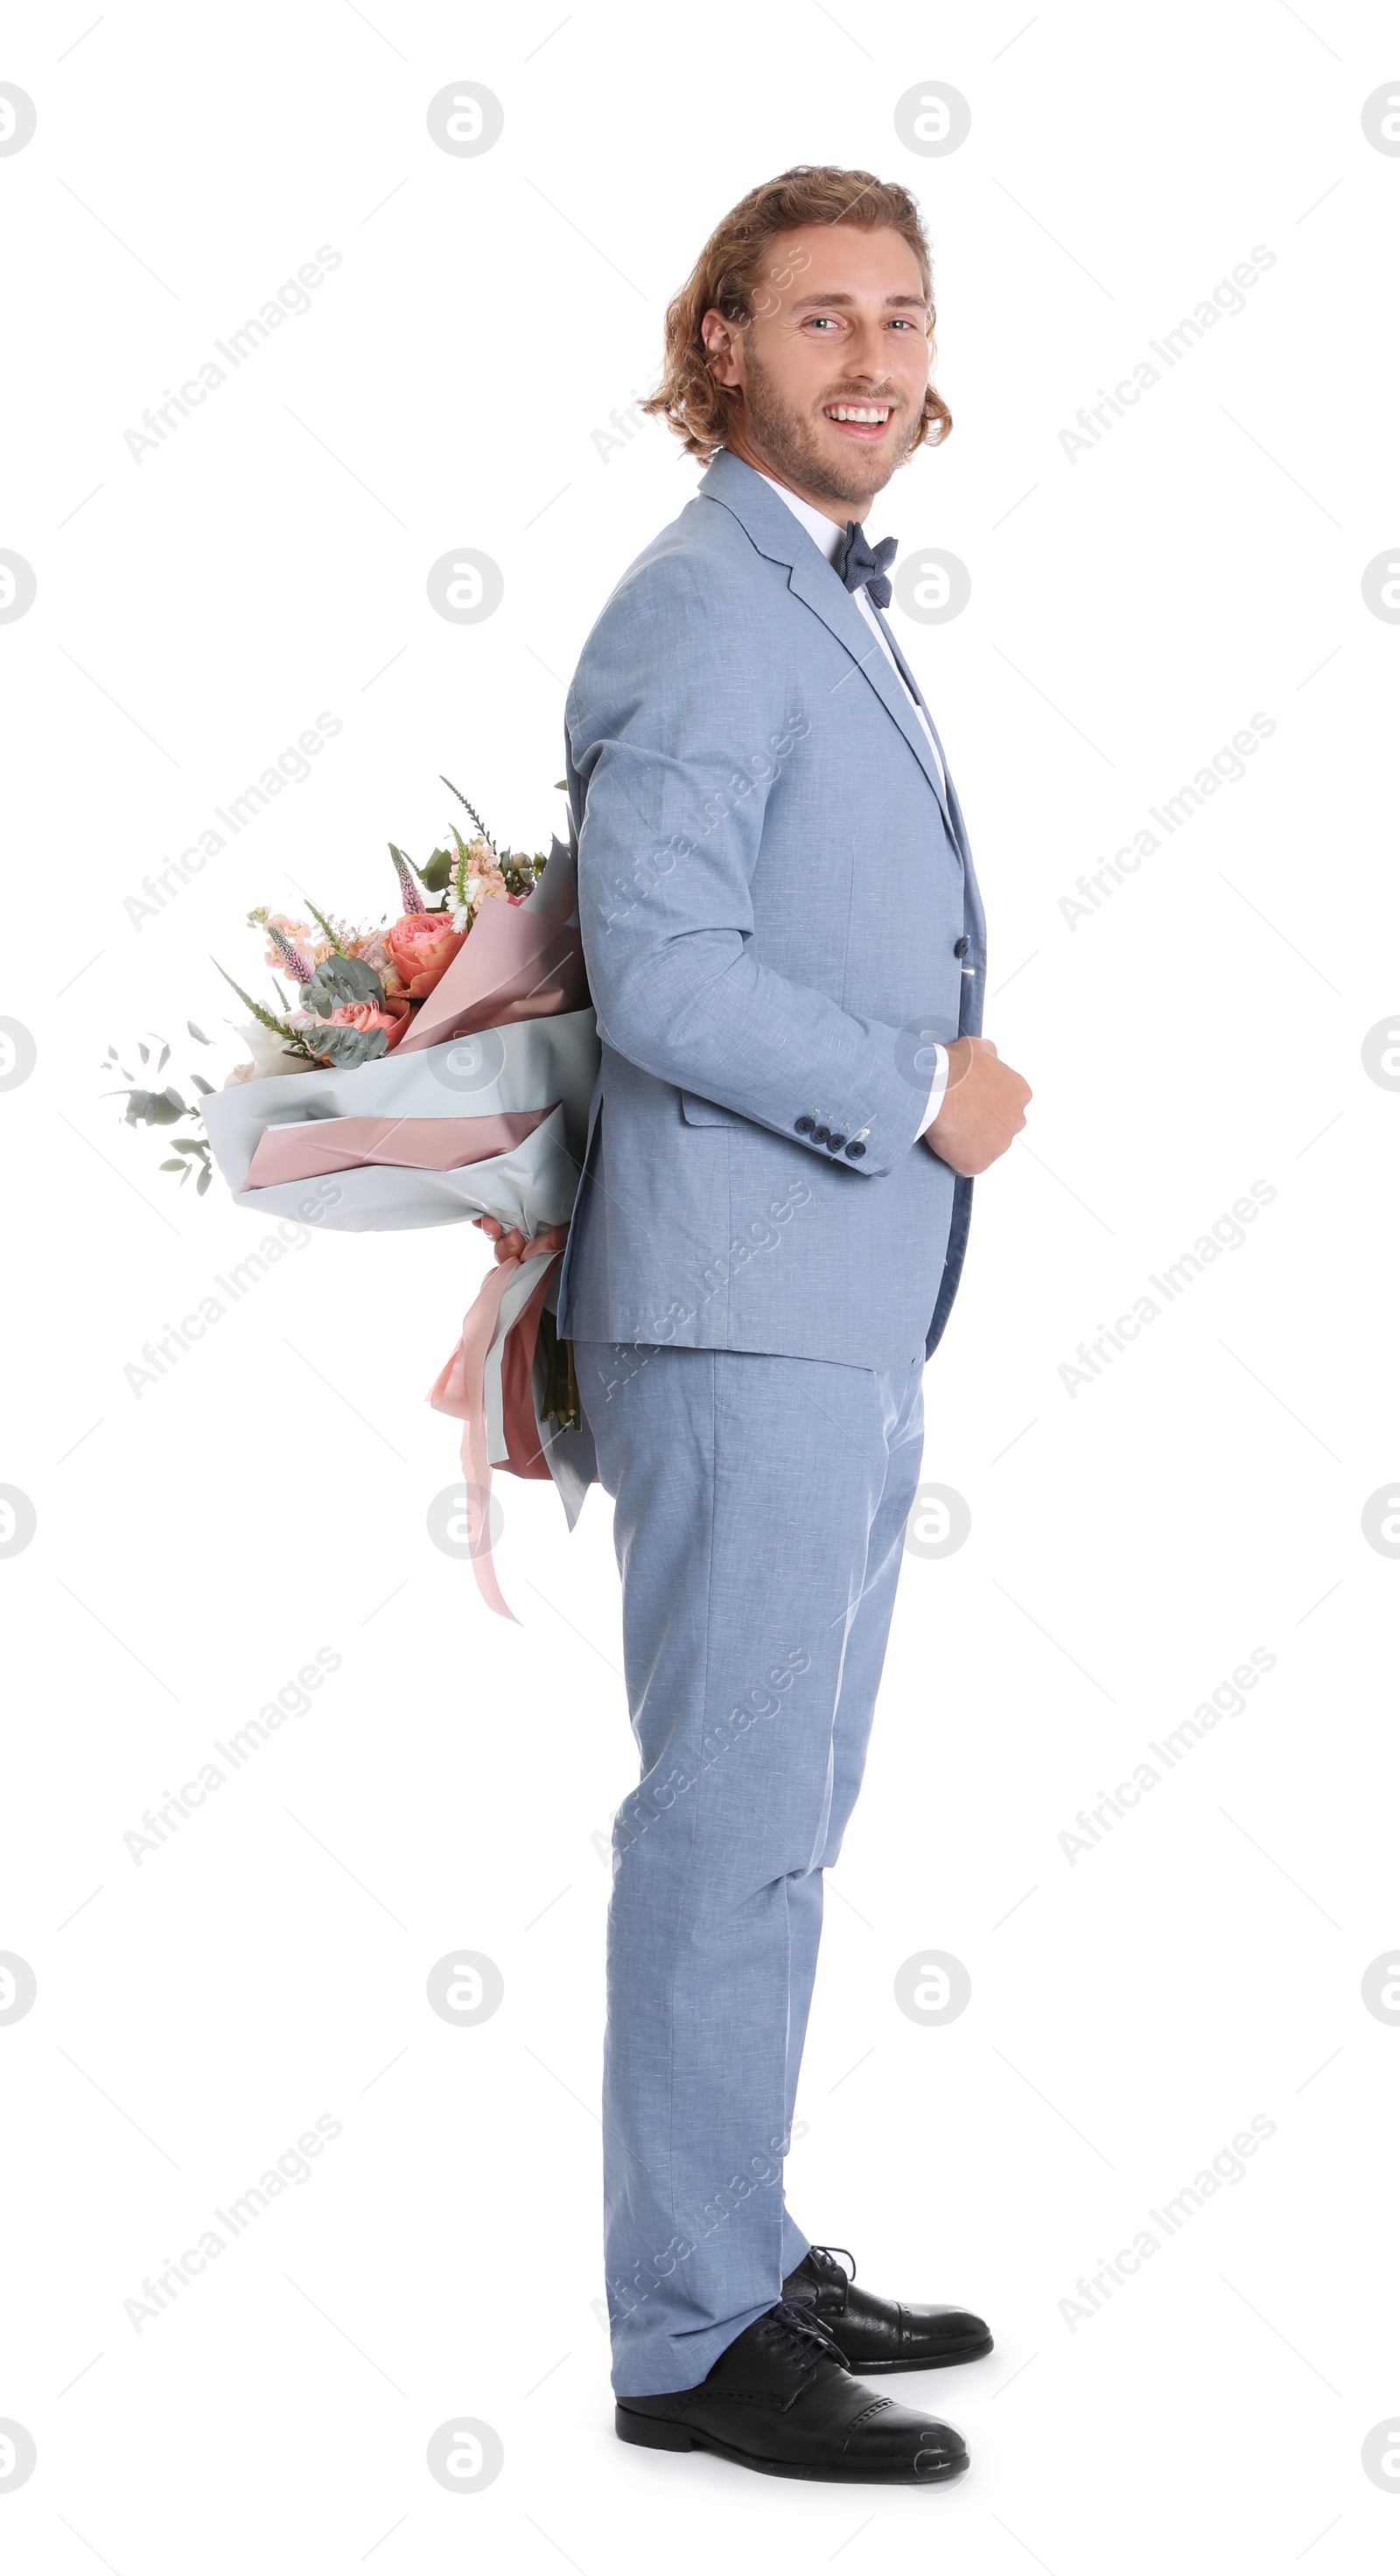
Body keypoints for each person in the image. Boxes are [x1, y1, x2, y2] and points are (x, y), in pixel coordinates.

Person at [482, 164, 1031, 2485]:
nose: (876, 363)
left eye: (901, 318)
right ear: (722, 342)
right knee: (728, 1816)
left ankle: (736, 2232)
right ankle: (688, 2330)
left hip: (832, 1299)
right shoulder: (696, 609)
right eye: (823, 319)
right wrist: (922, 1088)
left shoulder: (807, 592)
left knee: (789, 1807)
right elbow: (677, 971)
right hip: (738, 1304)